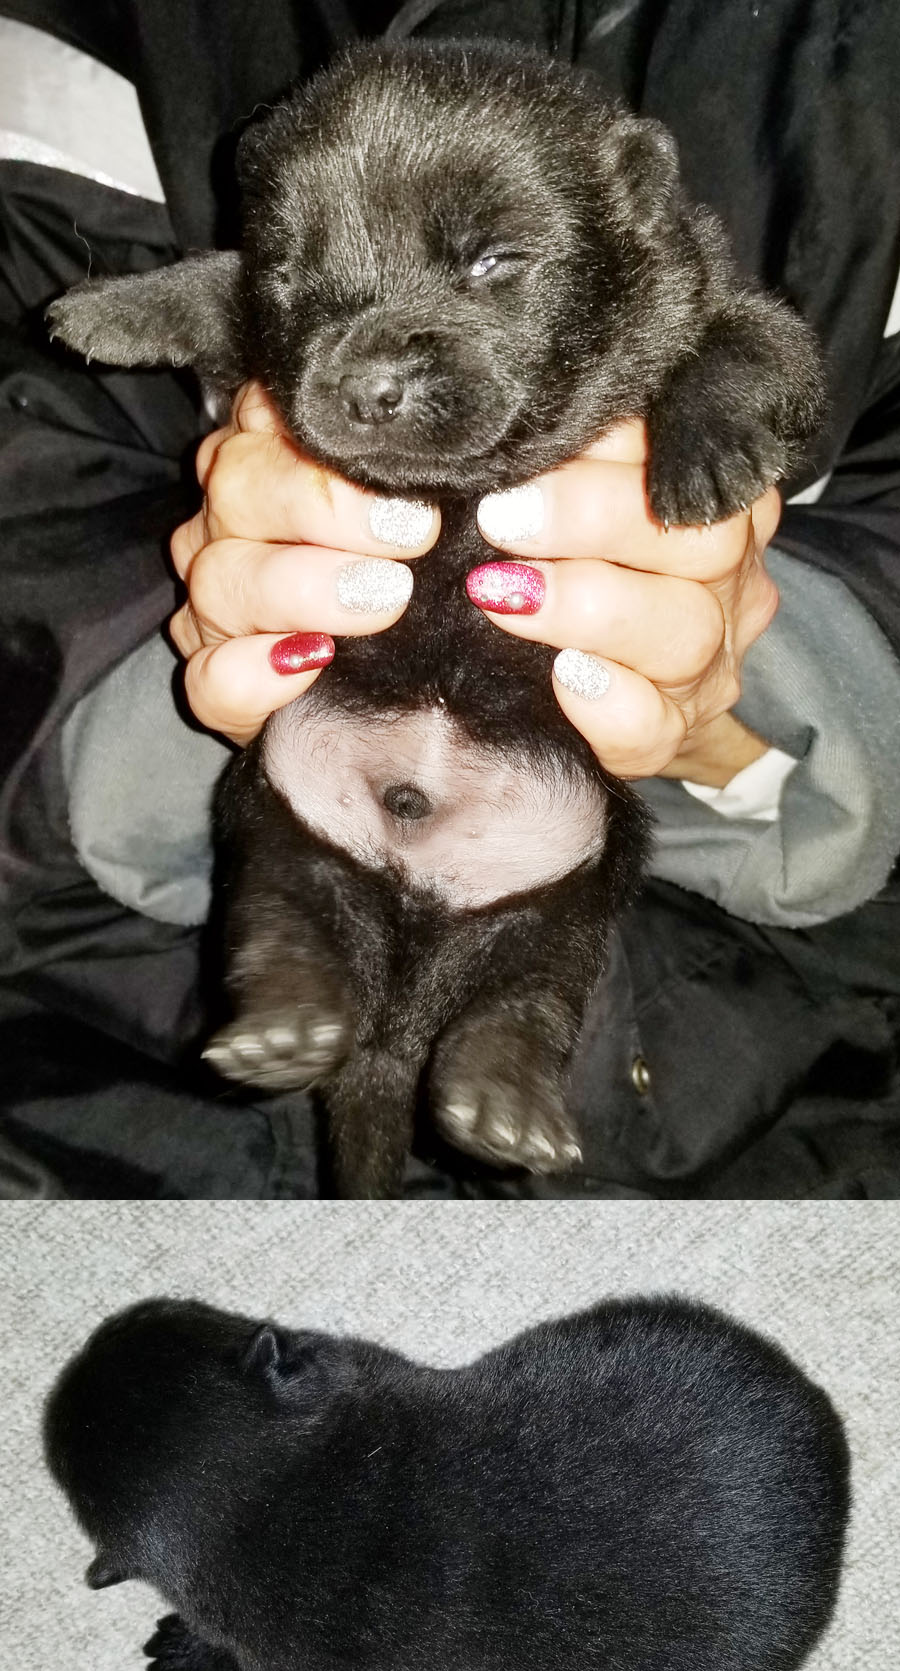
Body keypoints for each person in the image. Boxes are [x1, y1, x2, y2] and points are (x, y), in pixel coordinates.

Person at [1, 0, 899, 1198]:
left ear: (633, 204)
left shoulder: (693, 279)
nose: (373, 370)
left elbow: (763, 352)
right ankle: (289, 973)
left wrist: (771, 679)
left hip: (610, 886)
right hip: (186, 916)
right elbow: (224, 305)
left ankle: (512, 1037)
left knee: (567, 893)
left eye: (491, 265)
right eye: (317, 281)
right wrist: (165, 689)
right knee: (280, 842)